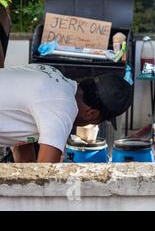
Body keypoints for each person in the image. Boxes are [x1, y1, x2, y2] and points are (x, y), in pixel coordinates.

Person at [0, 64, 132, 163]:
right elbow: (44, 175)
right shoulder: (62, 108)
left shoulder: (53, 74)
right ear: (91, 113)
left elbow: (22, 145)